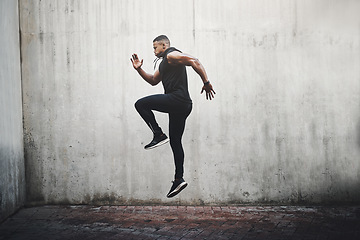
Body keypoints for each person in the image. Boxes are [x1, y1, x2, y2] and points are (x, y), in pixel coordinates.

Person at [131, 35, 215, 198]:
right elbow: (153, 81)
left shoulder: (171, 55)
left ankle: (158, 134)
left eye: (155, 47)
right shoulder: (165, 62)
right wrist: (139, 69)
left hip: (177, 100)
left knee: (140, 104)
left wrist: (206, 82)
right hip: (181, 105)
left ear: (164, 45)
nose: (154, 50)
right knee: (175, 141)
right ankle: (179, 179)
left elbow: (194, 61)